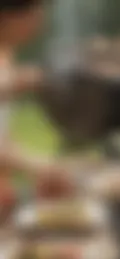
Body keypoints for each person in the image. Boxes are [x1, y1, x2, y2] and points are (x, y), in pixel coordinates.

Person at [0, 0, 70, 209]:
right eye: (37, 12)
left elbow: (3, 137)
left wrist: (39, 167)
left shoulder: (5, 56)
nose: (42, 23)